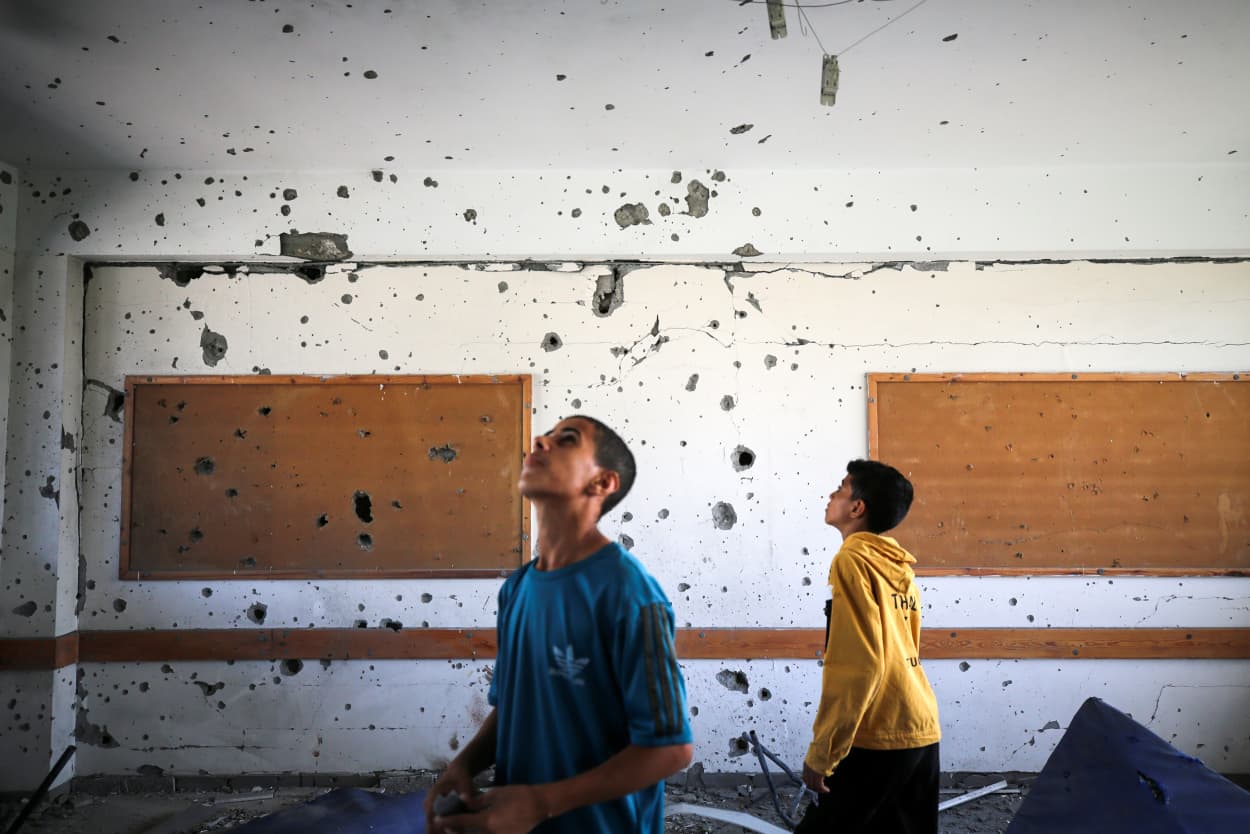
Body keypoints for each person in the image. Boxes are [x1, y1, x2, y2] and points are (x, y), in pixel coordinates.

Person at [425, 415, 693, 834]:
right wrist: (465, 764)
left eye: (566, 439)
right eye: (544, 436)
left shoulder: (629, 593)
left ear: (602, 483)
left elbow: (671, 749)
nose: (540, 441)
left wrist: (541, 803)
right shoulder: (517, 589)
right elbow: (512, 705)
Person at [797, 459, 942, 834]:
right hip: (920, 724)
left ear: (857, 508)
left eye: (841, 488)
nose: (831, 495)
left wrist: (823, 754)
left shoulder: (851, 560)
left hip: (879, 731)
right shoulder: (900, 568)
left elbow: (860, 664)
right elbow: (906, 646)